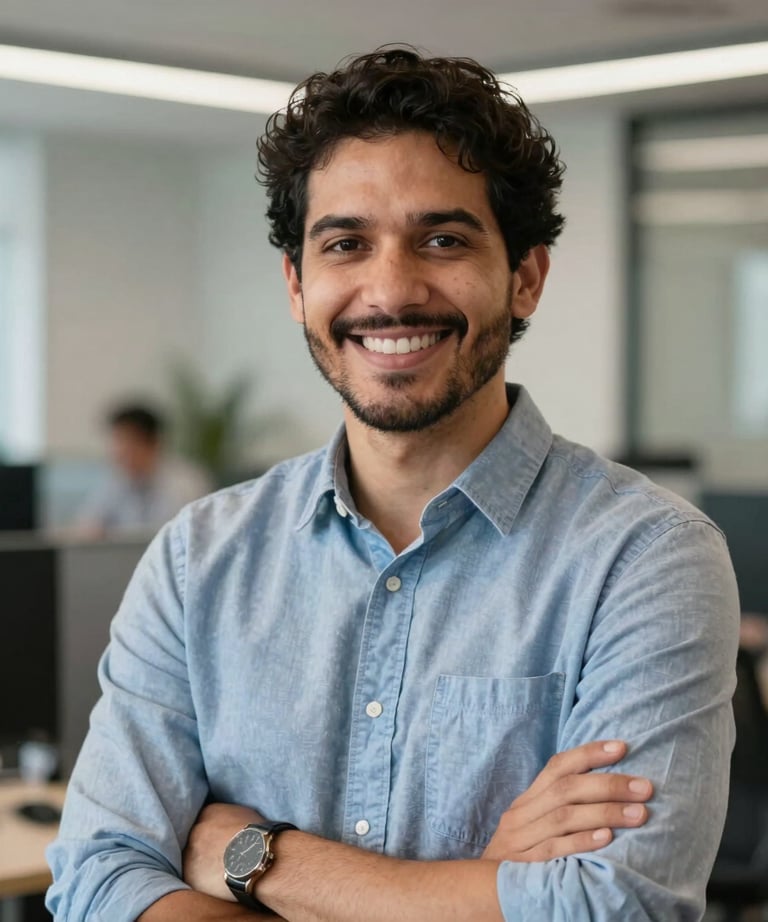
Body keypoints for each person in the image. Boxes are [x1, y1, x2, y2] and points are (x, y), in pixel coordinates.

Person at [47, 48, 739, 921]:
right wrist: (484, 888)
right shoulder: (199, 559)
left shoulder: (646, 559)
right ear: (298, 285)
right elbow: (99, 881)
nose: (391, 289)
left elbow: (615, 910)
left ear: (525, 277)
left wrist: (262, 860)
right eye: (346, 244)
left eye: (443, 239)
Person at [75, 403, 213, 535]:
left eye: (128, 442)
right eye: (116, 442)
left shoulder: (186, 482)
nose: (119, 452)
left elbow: (192, 534)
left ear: (153, 443)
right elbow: (86, 528)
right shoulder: (115, 482)